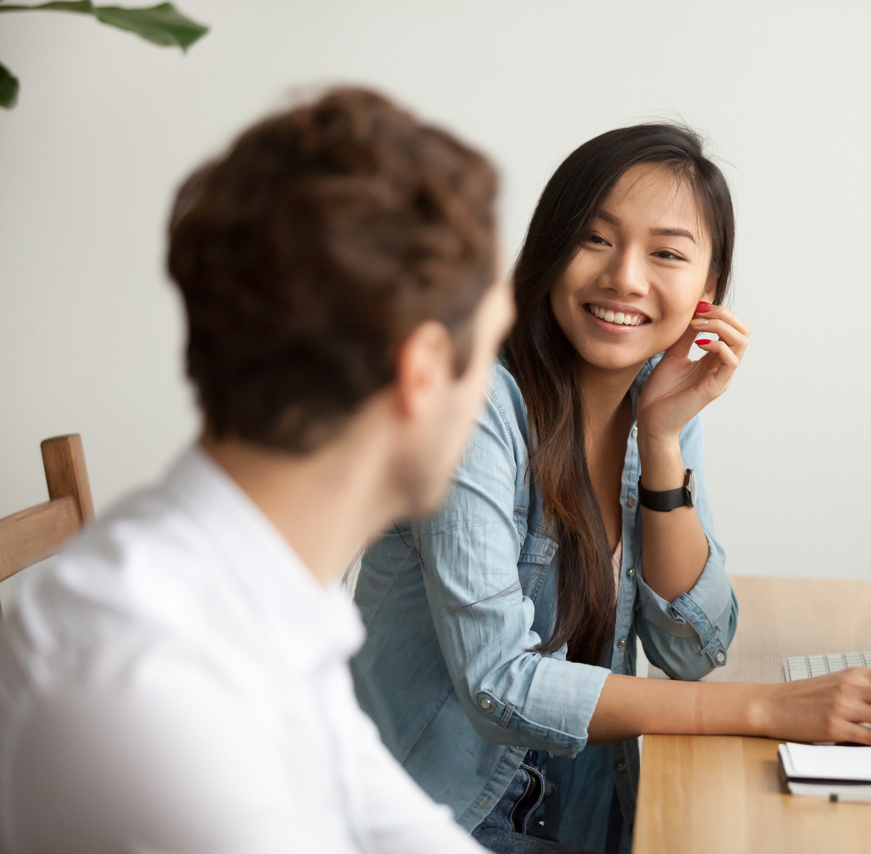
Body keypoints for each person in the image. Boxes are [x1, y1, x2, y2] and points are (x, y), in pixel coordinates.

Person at [352, 124, 871, 854]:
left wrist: (662, 440)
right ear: (547, 251)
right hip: (443, 821)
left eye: (666, 253)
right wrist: (769, 708)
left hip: (583, 811)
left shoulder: (657, 391)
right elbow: (498, 684)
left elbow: (694, 648)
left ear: (709, 291)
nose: (626, 279)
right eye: (596, 239)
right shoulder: (472, 405)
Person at [0, 88, 512, 853]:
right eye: (491, 359)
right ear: (425, 371)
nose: (490, 404)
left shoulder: (262, 589)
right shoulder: (149, 684)